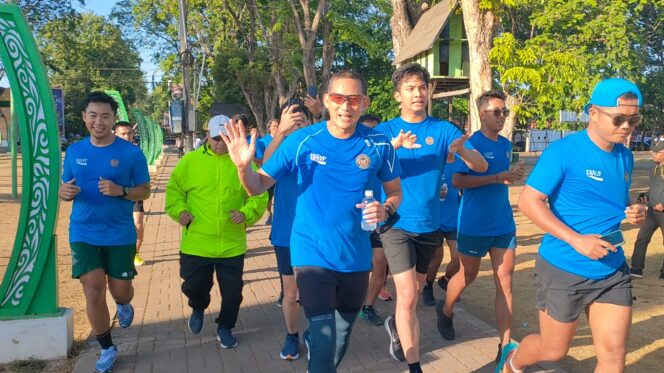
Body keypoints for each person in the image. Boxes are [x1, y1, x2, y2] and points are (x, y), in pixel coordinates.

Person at [222, 70, 402, 372]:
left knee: (340, 339)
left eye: (354, 99)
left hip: (356, 259)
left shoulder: (379, 144)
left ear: (365, 103)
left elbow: (395, 192)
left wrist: (387, 209)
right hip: (311, 255)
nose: (346, 106)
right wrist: (243, 168)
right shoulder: (303, 142)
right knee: (324, 338)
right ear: (326, 101)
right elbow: (257, 186)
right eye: (338, 98)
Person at [503, 78, 646, 373]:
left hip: (612, 268)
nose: (626, 126)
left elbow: (617, 198)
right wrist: (576, 240)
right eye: (618, 118)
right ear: (593, 113)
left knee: (614, 355)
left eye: (634, 119)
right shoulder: (563, 152)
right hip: (564, 267)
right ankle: (511, 363)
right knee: (554, 351)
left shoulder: (626, 156)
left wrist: (633, 210)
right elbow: (529, 202)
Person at [376, 63, 487, 371]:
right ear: (398, 95)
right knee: (409, 296)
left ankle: (398, 328)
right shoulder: (385, 131)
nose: (417, 93)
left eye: (422, 88)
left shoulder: (443, 130)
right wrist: (394, 147)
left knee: (413, 290)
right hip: (395, 223)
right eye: (410, 89)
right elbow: (366, 166)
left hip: (429, 226)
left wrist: (461, 152)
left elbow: (479, 166)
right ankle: (415, 366)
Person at [59, 92, 150, 373]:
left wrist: (121, 190)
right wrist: (64, 192)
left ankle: (123, 304)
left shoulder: (131, 153)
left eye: (105, 116)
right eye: (93, 115)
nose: (99, 121)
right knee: (93, 290)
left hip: (120, 233)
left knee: (120, 291)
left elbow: (144, 190)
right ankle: (107, 347)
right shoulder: (74, 152)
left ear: (113, 119)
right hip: (83, 232)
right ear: (84, 117)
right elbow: (66, 187)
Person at [165, 114, 267, 349]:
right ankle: (198, 306)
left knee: (233, 294)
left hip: (232, 244)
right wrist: (179, 212)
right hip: (197, 243)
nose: (220, 143)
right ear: (206, 137)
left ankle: (225, 327)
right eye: (215, 138)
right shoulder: (190, 162)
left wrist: (246, 214)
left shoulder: (243, 162)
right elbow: (174, 192)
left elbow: (259, 194)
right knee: (195, 286)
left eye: (224, 138)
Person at [437, 92, 524, 367]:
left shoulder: (507, 145)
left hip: (503, 223)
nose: (502, 116)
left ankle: (505, 345)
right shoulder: (470, 144)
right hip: (474, 223)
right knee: (467, 275)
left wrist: (511, 176)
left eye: (504, 112)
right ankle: (447, 310)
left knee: (505, 283)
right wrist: (497, 177)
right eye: (496, 111)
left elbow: (500, 178)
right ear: (482, 113)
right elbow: (458, 181)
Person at [261, 103, 310, 360]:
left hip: (318, 234)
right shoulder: (282, 150)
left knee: (317, 291)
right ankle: (292, 335)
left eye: (300, 121)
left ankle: (315, 333)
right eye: (292, 121)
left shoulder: (317, 146)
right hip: (286, 233)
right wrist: (281, 133)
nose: (296, 126)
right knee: (291, 292)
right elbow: (264, 170)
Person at [356, 113, 391, 326]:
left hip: (380, 218)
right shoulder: (349, 154)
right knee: (358, 266)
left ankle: (367, 307)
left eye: (375, 130)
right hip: (355, 220)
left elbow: (396, 187)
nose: (371, 135)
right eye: (366, 130)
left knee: (380, 264)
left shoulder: (385, 153)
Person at [422, 148, 461, 306]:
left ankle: (445, 280)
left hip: (454, 219)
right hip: (434, 219)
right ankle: (428, 285)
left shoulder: (460, 162)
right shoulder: (432, 161)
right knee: (436, 257)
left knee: (458, 258)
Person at [114, 121, 147, 267]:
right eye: (123, 133)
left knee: (138, 223)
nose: (127, 136)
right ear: (115, 134)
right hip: (115, 196)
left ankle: (135, 253)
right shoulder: (108, 151)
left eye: (129, 133)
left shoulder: (136, 153)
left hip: (134, 194)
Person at [631, 141, 664, 279]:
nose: (653, 155)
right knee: (641, 239)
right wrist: (641, 200)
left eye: (656, 152)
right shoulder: (654, 169)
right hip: (652, 212)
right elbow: (652, 189)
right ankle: (636, 269)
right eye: (653, 152)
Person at [255, 119, 279, 225]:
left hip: (283, 174)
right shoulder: (263, 141)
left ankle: (279, 214)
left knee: (281, 195)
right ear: (269, 128)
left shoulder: (286, 139)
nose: (276, 128)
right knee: (268, 197)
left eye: (278, 126)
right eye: (274, 126)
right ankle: (269, 214)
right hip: (269, 173)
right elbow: (260, 158)